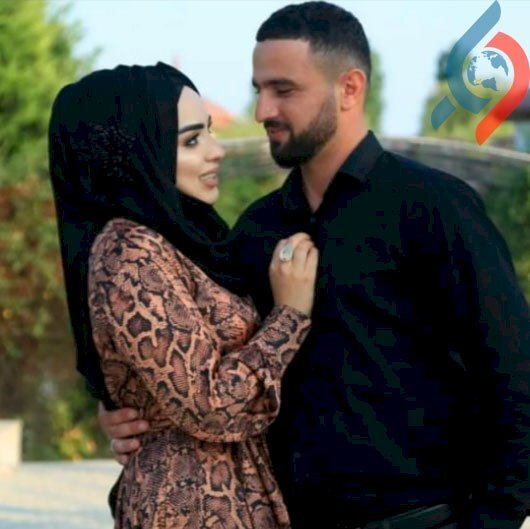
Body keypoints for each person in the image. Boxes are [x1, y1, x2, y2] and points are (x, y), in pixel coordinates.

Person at [101, 3, 530, 529]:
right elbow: (206, 365)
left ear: (349, 88)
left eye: (283, 90)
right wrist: (126, 411)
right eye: (259, 89)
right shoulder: (256, 228)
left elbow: (515, 373)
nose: (263, 110)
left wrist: (493, 520)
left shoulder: (434, 207)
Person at [48, 62, 319, 528]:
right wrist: (289, 315)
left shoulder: (181, 241)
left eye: (210, 132)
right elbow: (210, 405)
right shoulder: (129, 252)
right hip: (187, 508)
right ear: (137, 153)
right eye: (191, 141)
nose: (217, 151)